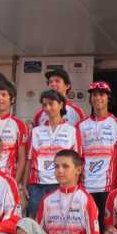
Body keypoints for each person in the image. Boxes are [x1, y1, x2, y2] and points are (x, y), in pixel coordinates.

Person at [25, 90, 82, 218]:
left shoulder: (72, 131)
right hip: (37, 185)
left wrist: (75, 186)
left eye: (51, 104)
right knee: (35, 221)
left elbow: (77, 161)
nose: (47, 108)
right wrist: (24, 185)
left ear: (61, 105)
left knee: (58, 220)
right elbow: (29, 159)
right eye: (44, 105)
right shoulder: (36, 131)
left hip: (61, 183)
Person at [77, 82, 117, 226]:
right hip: (86, 186)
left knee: (107, 229)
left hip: (109, 188)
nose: (97, 98)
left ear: (108, 98)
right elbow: (76, 158)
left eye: (101, 94)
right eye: (94, 94)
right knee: (87, 228)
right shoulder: (80, 125)